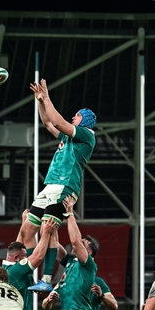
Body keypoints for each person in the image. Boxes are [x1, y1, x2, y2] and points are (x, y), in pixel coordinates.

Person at [24, 79, 97, 294]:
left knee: (48, 227)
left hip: (65, 186)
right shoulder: (69, 137)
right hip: (50, 185)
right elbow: (47, 123)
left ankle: (46, 279)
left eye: (77, 114)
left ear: (84, 119)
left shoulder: (86, 135)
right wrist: (39, 101)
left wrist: (47, 97)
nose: (73, 116)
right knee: (28, 227)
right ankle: (29, 272)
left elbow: (57, 121)